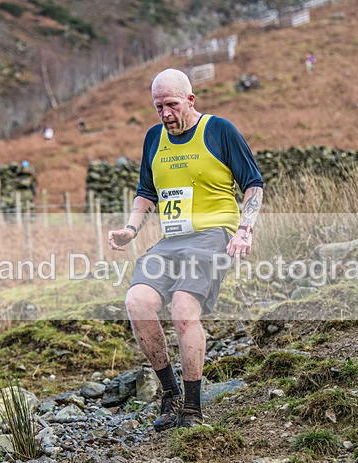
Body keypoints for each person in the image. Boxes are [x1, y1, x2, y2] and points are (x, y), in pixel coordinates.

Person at [108, 68, 264, 430]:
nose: (165, 115)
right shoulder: (153, 138)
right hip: (172, 240)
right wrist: (131, 229)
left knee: (181, 309)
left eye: (172, 105)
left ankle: (192, 408)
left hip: (213, 235)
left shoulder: (219, 130)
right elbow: (146, 191)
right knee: (138, 303)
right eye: (158, 107)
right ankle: (170, 393)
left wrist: (245, 229)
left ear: (190, 100)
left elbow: (253, 184)